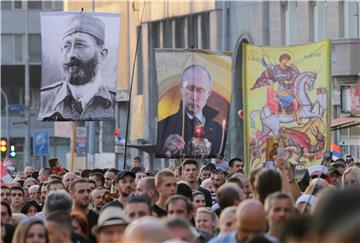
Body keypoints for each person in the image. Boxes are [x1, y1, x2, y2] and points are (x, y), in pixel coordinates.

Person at [38, 14, 115, 121]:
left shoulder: (115, 103)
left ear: (101, 54)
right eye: (66, 46)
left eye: (80, 46)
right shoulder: (45, 99)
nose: (71, 54)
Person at [156, 64, 225, 158]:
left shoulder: (220, 131)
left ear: (208, 93)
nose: (194, 97)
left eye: (200, 90)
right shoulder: (162, 127)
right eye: (190, 89)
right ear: (181, 89)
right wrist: (165, 150)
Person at [251, 53, 302, 125]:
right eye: (286, 60)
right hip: (281, 90)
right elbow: (265, 64)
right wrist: (262, 57)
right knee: (294, 101)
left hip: (290, 89)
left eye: (288, 60)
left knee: (299, 99)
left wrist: (290, 81)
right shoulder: (275, 68)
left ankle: (296, 116)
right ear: (281, 60)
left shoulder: (289, 69)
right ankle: (298, 120)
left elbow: (295, 75)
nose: (287, 62)